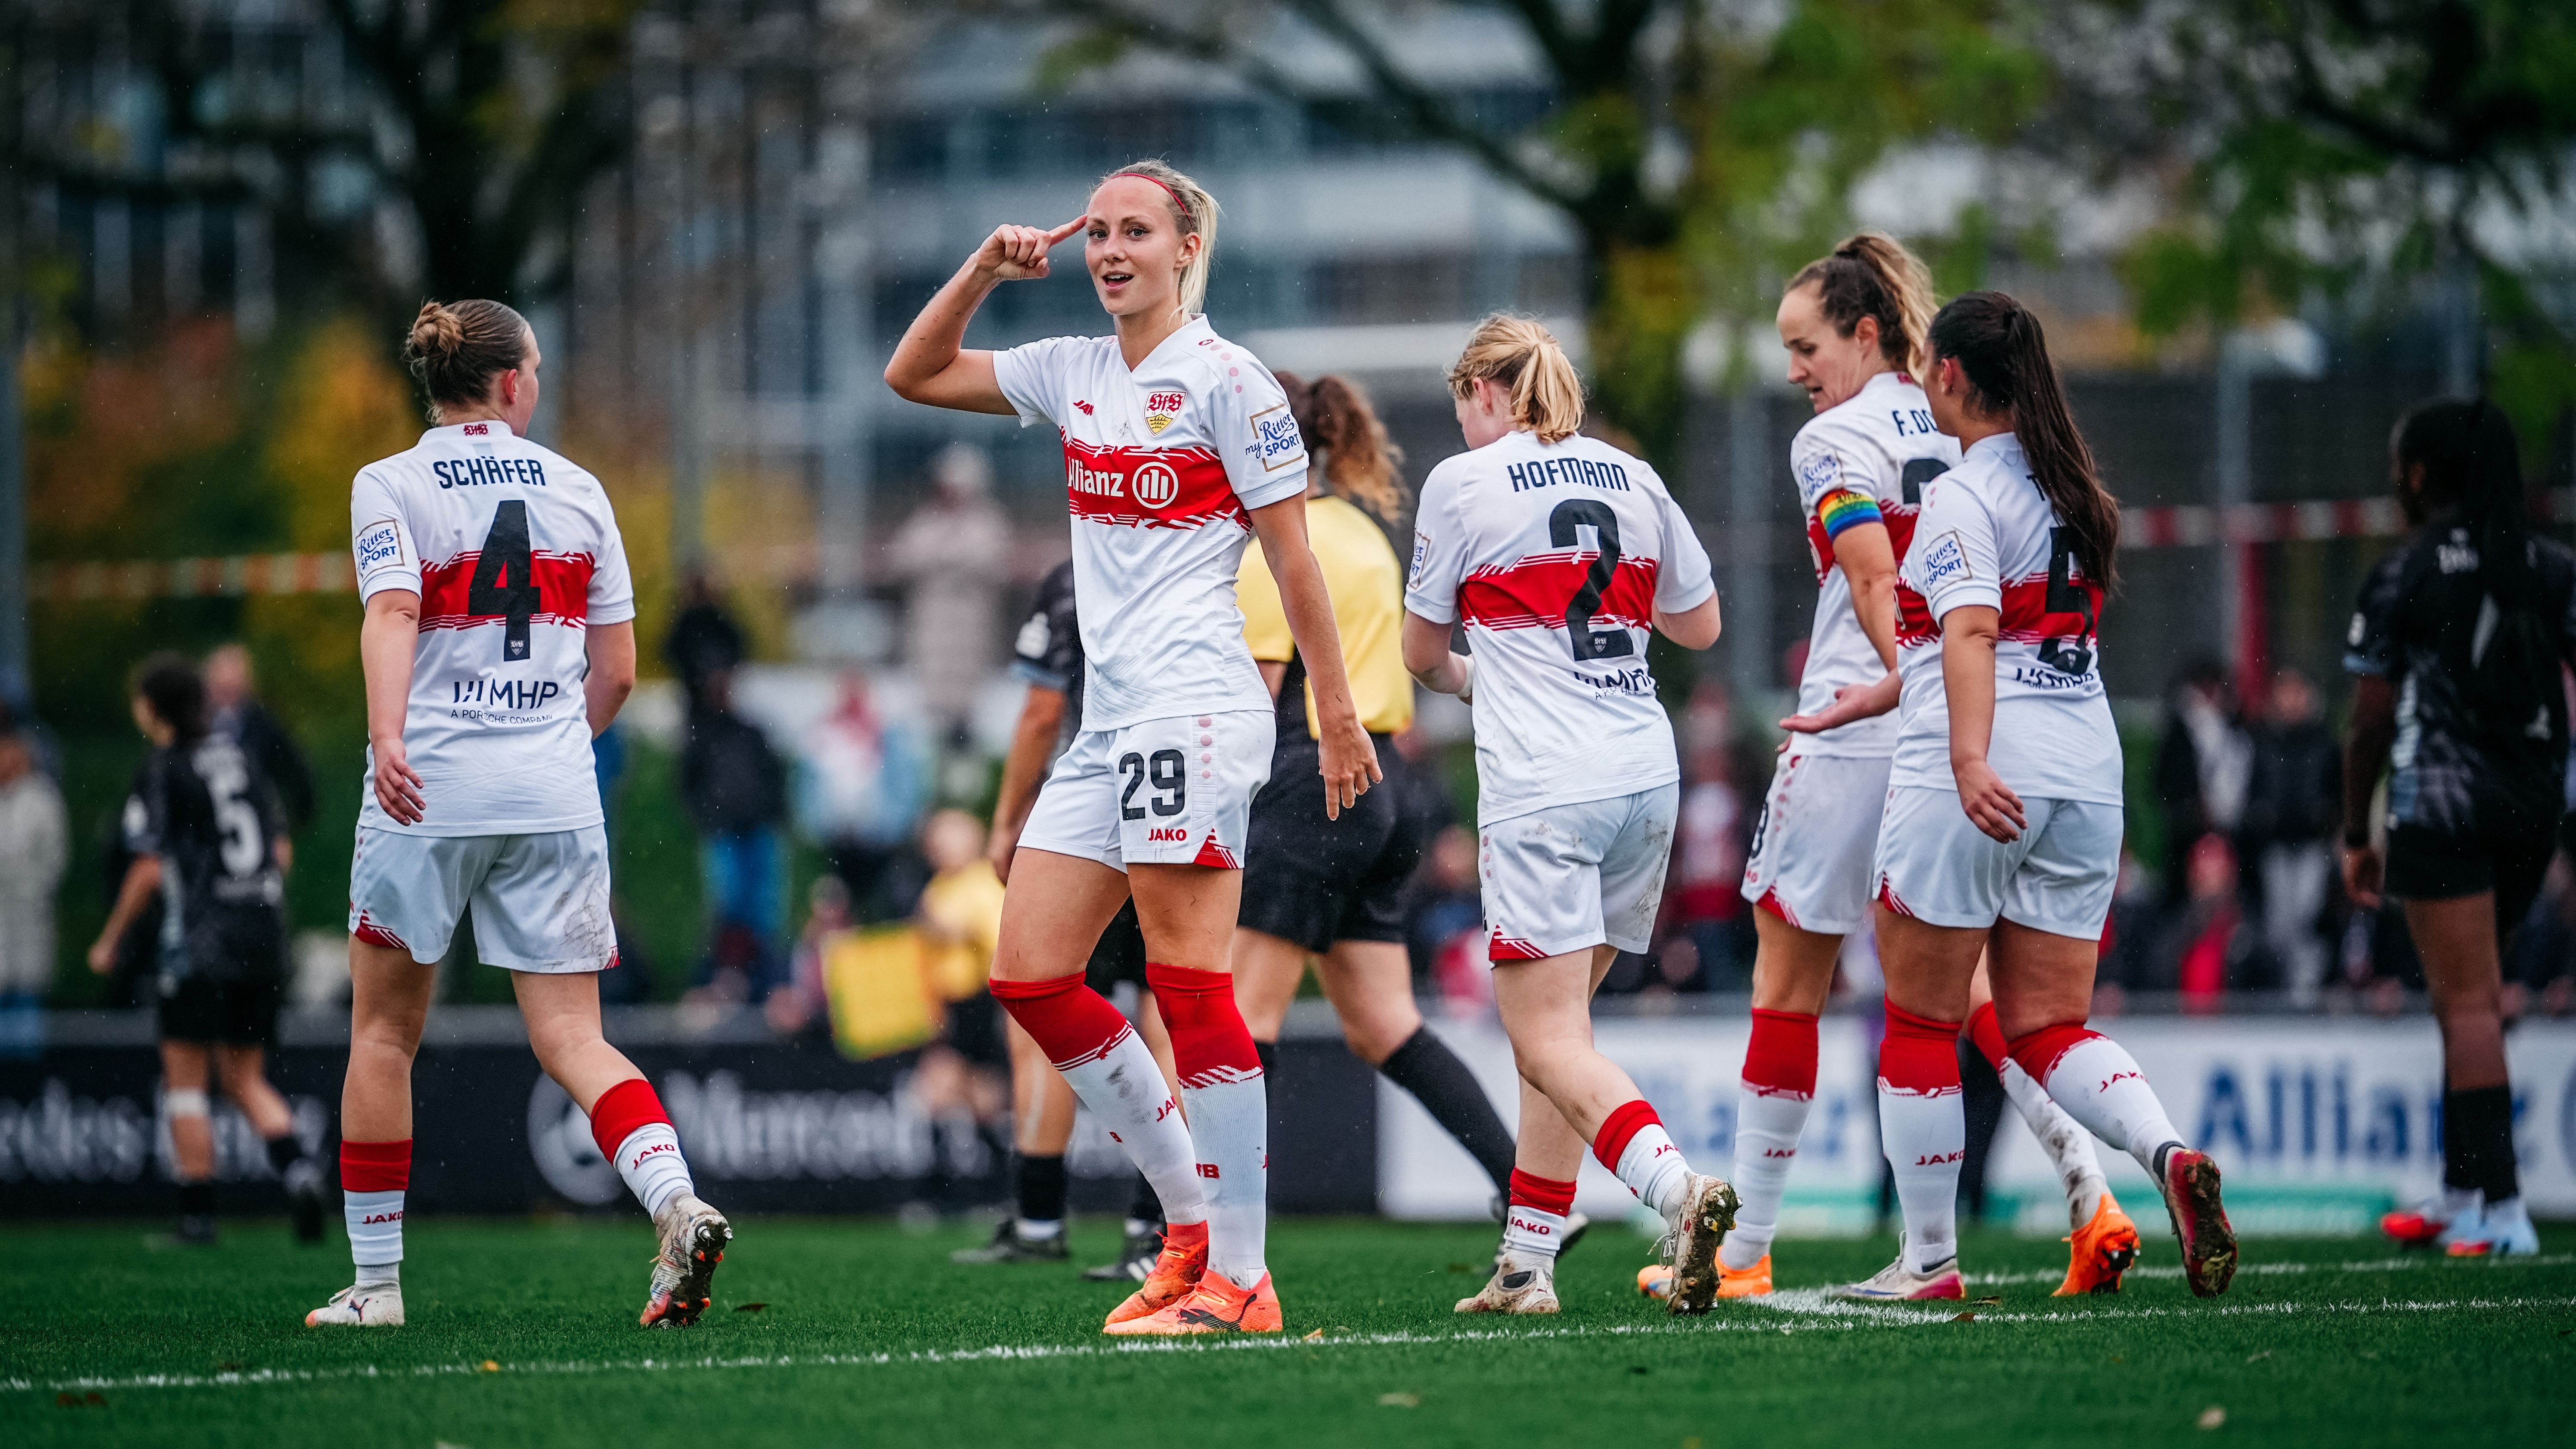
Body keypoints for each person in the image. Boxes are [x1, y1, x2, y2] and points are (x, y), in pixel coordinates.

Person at [884, 159, 1376, 1337]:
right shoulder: (1072, 367)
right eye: (1097, 231)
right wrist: (983, 269)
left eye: (1135, 231)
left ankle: (1242, 1277)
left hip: (1193, 709)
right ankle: (1188, 1230)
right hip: (1109, 723)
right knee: (1029, 972)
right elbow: (913, 372)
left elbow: (1293, 558)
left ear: (1185, 248)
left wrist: (1337, 710)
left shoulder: (1230, 381)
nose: (1109, 250)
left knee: (1188, 983)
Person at [1802, 291, 2234, 1301]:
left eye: (1927, 367)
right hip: (2083, 772)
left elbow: (1970, 633)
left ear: (1951, 375)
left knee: (1918, 1020)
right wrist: (1879, 692)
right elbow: (2019, 639)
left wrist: (1963, 758)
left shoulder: (1962, 494)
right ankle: (2166, 1151)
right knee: (2046, 1027)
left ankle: (1926, 1261)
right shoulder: (2077, 492)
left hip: (1979, 769)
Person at [1719, 235, 2127, 1301]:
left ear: (1865, 333)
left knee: (1788, 986)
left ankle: (1743, 1250)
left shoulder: (1832, 438)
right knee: (1978, 996)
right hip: (1967, 734)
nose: (1794, 370)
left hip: (1864, 723)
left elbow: (1872, 582)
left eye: (1805, 347)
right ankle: (2089, 1190)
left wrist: (1901, 678)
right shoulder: (1959, 424)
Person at [314, 297, 731, 1329]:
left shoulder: (390, 482)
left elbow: (394, 610)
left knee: (383, 1035)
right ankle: (674, 1201)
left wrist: (388, 737)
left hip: (428, 789)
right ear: (511, 384)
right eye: (535, 368)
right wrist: (548, 743)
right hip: (554, 794)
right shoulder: (579, 488)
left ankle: (377, 1286)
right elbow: (618, 673)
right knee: (575, 1037)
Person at [1401, 314, 1736, 1316]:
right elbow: (1700, 624)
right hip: (1643, 777)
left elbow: (1421, 653)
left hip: (1546, 786)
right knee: (1559, 1035)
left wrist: (1483, 675)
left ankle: (1677, 1194)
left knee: (1545, 1038)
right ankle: (1525, 1263)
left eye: (1463, 406)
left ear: (1483, 392)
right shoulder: (1632, 475)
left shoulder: (1462, 481)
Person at [1229, 370, 1526, 1232]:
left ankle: (1184, 1233)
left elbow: (1260, 693)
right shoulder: (1362, 534)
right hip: (1385, 787)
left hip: (1306, 778)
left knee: (1240, 1018)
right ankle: (1524, 1194)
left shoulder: (1272, 544)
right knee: (1381, 1023)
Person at [2348, 398, 2573, 1259]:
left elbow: (2370, 722)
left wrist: (2354, 832)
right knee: (2470, 995)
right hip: (2532, 806)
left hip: (2440, 807)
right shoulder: (2548, 566)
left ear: (2417, 475)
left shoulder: (2403, 572)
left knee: (2468, 1002)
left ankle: (2502, 1212)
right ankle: (2456, 1193)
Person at [963, 557, 1178, 1279]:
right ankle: (1159, 1228)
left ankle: (1040, 1216)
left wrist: (1005, 821)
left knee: (1041, 1001)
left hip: (1099, 807)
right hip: (1185, 788)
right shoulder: (1213, 549)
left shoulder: (1075, 572)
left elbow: (1041, 711)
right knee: (1172, 1014)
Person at [84, 656, 323, 1245]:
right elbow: (281, 852)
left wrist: (112, 939)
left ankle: (197, 1216)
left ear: (153, 709)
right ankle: (299, 1171)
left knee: (186, 1083)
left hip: (199, 945)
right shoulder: (241, 757)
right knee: (245, 1078)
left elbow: (147, 867)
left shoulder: (164, 767)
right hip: (262, 937)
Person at [887, 443, 1016, 734]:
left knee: (967, 688)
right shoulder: (926, 519)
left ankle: (962, 735)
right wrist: (951, 558)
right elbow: (904, 557)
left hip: (971, 620)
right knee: (932, 686)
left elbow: (989, 562)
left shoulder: (988, 520)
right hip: (933, 618)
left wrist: (944, 559)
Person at [681, 668, 791, 1001]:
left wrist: (770, 814)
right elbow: (688, 787)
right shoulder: (702, 737)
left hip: (756, 831)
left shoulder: (749, 733)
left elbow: (774, 776)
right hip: (725, 834)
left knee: (763, 911)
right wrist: (709, 818)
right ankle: (725, 978)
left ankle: (766, 981)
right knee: (729, 906)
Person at [2242, 668, 2341, 1004]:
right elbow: (2253, 791)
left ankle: (2305, 993)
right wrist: (2263, 817)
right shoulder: (2265, 742)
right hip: (2277, 845)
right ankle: (2281, 991)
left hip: (2313, 843)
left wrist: (2326, 819)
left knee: (2309, 918)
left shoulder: (2324, 743)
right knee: (2279, 924)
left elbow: (2336, 793)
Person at [0, 707, 66, 1059]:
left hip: (27, 926)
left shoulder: (42, 799)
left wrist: (21, 886)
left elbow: (53, 863)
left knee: (26, 1018)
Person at [204, 644, 318, 836]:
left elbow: (297, 773)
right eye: (223, 687)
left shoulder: (263, 724)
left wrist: (287, 826)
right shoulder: (197, 725)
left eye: (233, 686)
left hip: (258, 829)